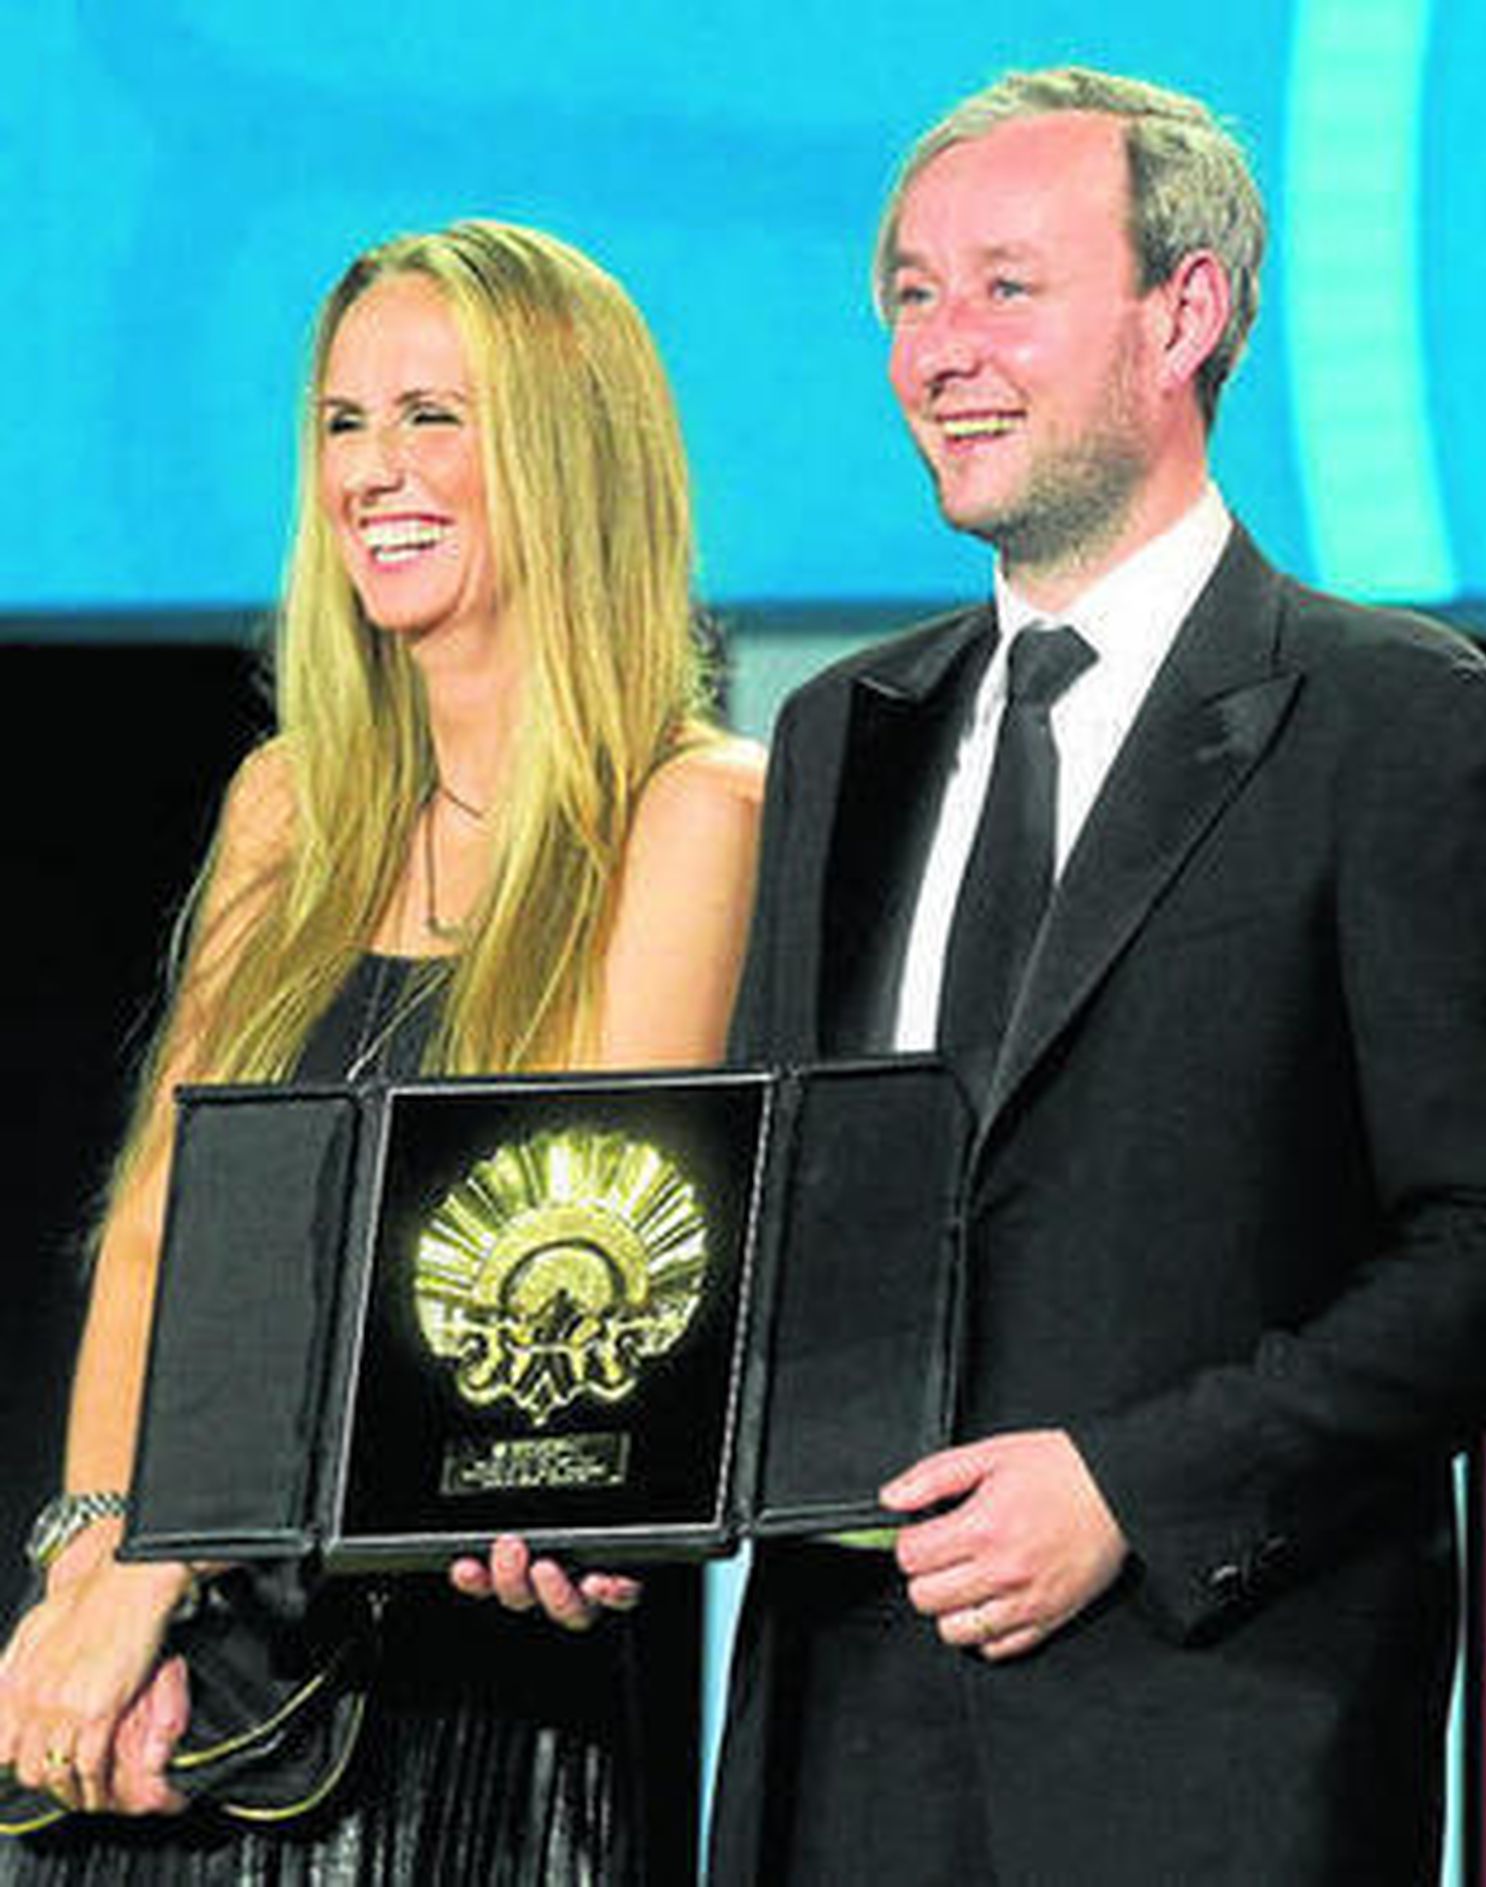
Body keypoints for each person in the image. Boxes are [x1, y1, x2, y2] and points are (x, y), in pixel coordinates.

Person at [709, 64, 1486, 1885]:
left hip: (1210, 1754)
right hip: (841, 1752)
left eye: (1008, 286)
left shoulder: (1398, 721)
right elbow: (777, 1209)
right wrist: (574, 1479)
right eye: (909, 293)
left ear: (1184, 314)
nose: (941, 347)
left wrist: (1135, 1486)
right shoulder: (835, 737)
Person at [0, 217, 763, 1883]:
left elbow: (529, 1319)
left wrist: (165, 1568)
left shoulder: (689, 811)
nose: (372, 471)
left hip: (463, 1703)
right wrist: (88, 1573)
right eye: (344, 422)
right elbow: (158, 1237)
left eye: (434, 416)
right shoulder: (288, 805)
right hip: (187, 1684)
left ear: (567, 454)